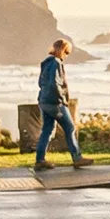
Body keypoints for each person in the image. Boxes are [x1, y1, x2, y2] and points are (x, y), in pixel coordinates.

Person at [34, 38, 93, 170]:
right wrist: (62, 99)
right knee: (70, 128)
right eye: (67, 53)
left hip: (44, 101)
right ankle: (77, 158)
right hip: (55, 103)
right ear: (63, 50)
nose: (66, 56)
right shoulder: (56, 63)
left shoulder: (46, 63)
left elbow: (41, 83)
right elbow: (55, 83)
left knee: (47, 131)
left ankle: (40, 160)